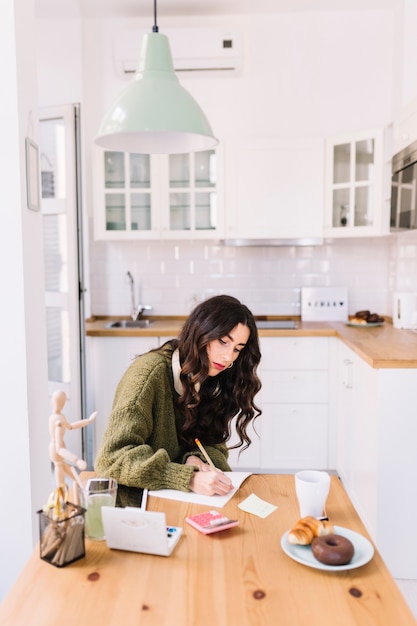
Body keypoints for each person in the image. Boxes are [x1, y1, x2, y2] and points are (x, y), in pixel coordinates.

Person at [94, 295, 262, 496]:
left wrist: (193, 459)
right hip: (137, 502)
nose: (228, 357)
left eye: (237, 349)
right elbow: (112, 458)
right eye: (223, 342)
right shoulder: (148, 375)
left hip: (181, 498)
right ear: (201, 332)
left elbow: (214, 447)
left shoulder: (213, 376)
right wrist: (187, 477)